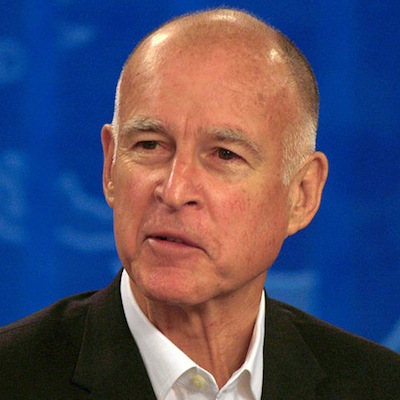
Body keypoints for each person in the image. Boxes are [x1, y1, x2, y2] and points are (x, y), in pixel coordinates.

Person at [0, 8, 399, 400]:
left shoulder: (380, 386)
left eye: (225, 155)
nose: (174, 191)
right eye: (149, 145)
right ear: (110, 167)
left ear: (302, 194)